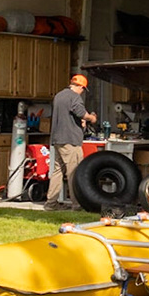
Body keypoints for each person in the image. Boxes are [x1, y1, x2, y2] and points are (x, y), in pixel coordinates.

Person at [46, 72, 97, 209]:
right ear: (80, 87)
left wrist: (78, 121)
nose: (82, 92)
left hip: (57, 139)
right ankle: (77, 204)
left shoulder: (59, 96)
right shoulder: (74, 97)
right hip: (70, 140)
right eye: (82, 89)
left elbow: (68, 115)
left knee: (57, 172)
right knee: (74, 172)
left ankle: (51, 203)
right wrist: (91, 118)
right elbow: (81, 113)